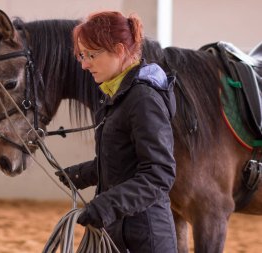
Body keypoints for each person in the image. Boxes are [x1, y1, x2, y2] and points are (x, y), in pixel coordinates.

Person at [56, 11, 178, 253]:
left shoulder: (144, 99)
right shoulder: (118, 95)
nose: (84, 64)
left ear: (120, 50)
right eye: (82, 55)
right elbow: (123, 161)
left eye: (91, 55)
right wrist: (82, 174)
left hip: (145, 240)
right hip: (116, 233)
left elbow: (159, 173)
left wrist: (106, 205)